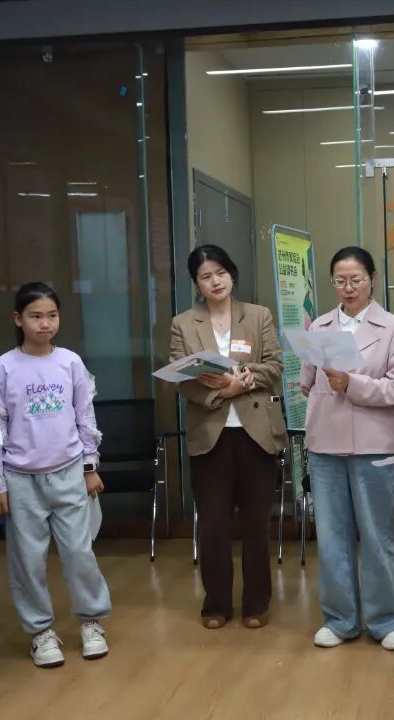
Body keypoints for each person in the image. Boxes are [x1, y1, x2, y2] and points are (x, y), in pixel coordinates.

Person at [0, 282, 112, 669]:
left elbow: (85, 417)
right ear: (18, 319)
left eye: (51, 315)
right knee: (27, 559)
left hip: (69, 471)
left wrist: (90, 467)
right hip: (20, 478)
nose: (44, 324)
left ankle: (91, 621)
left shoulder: (70, 362)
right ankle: (40, 631)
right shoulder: (3, 368)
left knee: (79, 552)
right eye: (35, 316)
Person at [169, 244, 287, 629]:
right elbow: (181, 379)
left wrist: (243, 377)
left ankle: (256, 603)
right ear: (196, 283)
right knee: (213, 525)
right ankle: (216, 603)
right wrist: (222, 392)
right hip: (210, 433)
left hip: (256, 432)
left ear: (232, 274)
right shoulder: (183, 323)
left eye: (220, 273)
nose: (215, 281)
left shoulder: (258, 315)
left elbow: (275, 365)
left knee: (256, 523)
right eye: (206, 276)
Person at [301, 246, 394, 652]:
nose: (348, 288)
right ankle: (340, 619)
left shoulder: (392, 327)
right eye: (340, 281)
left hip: (372, 442)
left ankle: (386, 620)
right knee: (331, 537)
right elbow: (307, 381)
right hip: (325, 442)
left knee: (377, 534)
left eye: (356, 280)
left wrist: (353, 384)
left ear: (372, 279)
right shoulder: (320, 326)